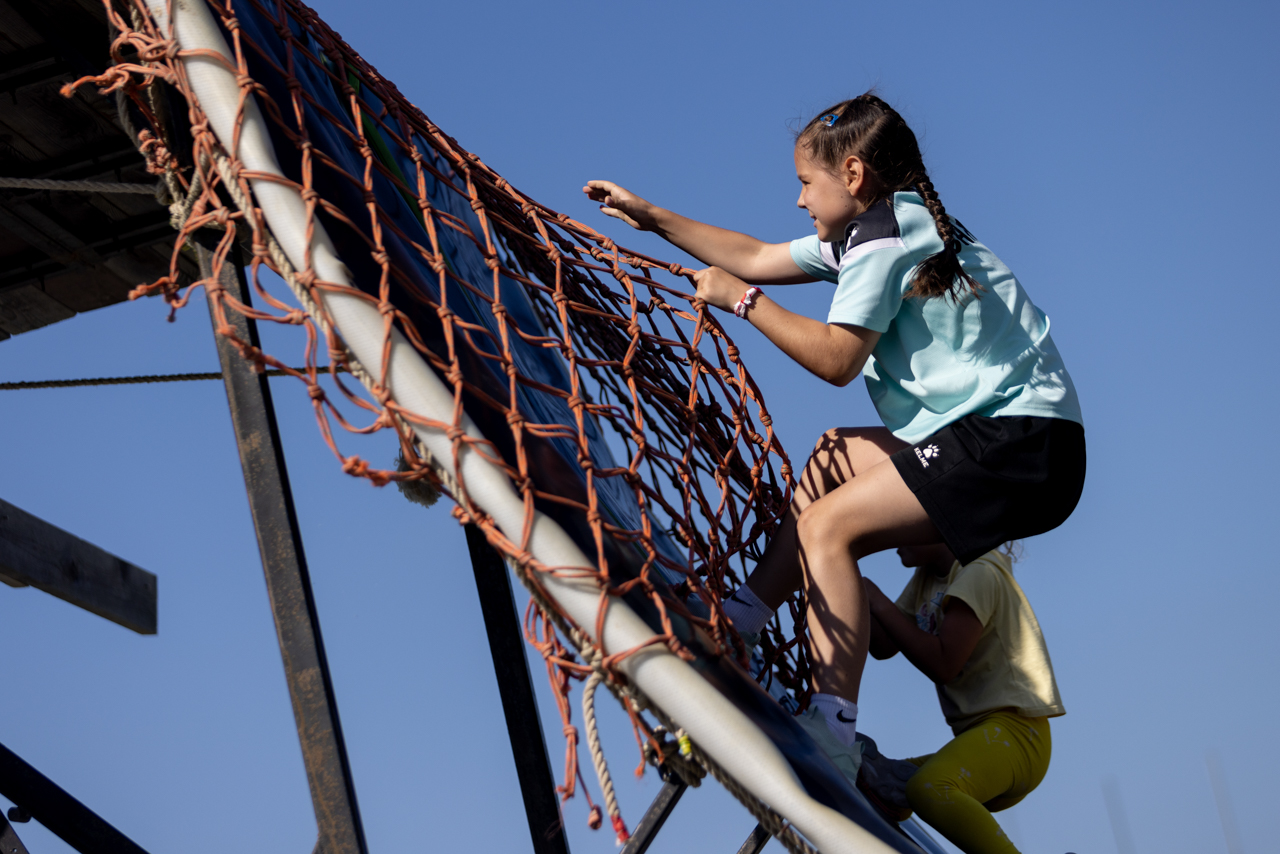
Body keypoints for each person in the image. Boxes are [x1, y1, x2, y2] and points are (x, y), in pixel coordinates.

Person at [584, 91, 1083, 768]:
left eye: (804, 184)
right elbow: (755, 253)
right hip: (1014, 434)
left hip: (1021, 443)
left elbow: (835, 359)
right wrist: (649, 217)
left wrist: (744, 303)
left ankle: (831, 729)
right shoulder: (875, 226)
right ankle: (740, 620)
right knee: (831, 458)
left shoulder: (883, 242)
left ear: (852, 177)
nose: (798, 201)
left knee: (828, 528)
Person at [861, 543, 1064, 854]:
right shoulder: (928, 577)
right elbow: (884, 644)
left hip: (1019, 737)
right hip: (982, 742)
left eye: (899, 523)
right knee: (882, 784)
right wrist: (847, 581)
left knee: (928, 788)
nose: (889, 537)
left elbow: (945, 664)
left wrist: (877, 600)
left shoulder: (978, 571)